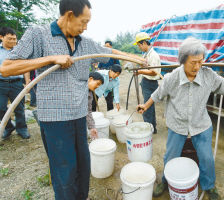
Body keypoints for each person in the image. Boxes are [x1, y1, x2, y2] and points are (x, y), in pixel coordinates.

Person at [0, 0, 145, 199]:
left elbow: (108, 52)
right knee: (64, 174)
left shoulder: (84, 43)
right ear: (69, 15)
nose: (85, 27)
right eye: (83, 22)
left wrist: (134, 57)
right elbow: (6, 67)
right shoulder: (39, 34)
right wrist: (50, 59)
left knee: (83, 169)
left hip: (78, 117)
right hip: (55, 120)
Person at [137, 37, 224, 200]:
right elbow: (157, 94)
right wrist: (145, 106)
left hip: (200, 123)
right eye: (193, 62)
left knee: (206, 157)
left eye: (200, 61)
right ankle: (166, 181)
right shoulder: (172, 78)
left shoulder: (208, 75)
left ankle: (209, 186)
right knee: (171, 155)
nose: (197, 66)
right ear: (182, 61)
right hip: (177, 123)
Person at [0, 27, 30, 140]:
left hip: (16, 83)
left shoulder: (19, 51)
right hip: (1, 83)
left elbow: (26, 67)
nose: (13, 41)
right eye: (9, 39)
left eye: (14, 39)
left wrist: (27, 82)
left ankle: (21, 128)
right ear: (1, 37)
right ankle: (8, 127)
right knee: (0, 107)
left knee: (19, 107)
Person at [134, 32, 161, 133]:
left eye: (139, 45)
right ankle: (152, 128)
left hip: (150, 83)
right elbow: (147, 67)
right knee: (150, 106)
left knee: (147, 107)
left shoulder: (154, 55)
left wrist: (139, 71)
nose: (139, 47)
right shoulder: (146, 54)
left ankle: (148, 130)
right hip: (146, 82)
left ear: (144, 43)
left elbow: (154, 72)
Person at [92, 41, 120, 111]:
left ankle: (111, 115)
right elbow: (98, 67)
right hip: (101, 80)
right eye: (105, 46)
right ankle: (92, 116)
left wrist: (117, 102)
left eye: (107, 46)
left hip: (110, 82)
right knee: (93, 103)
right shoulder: (103, 56)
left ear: (111, 47)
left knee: (110, 102)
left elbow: (118, 67)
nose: (106, 48)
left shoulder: (114, 56)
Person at [87, 72, 104, 140]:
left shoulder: (90, 94)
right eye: (97, 84)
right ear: (90, 79)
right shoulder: (79, 89)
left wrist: (92, 127)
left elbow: (88, 110)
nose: (97, 87)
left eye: (99, 85)